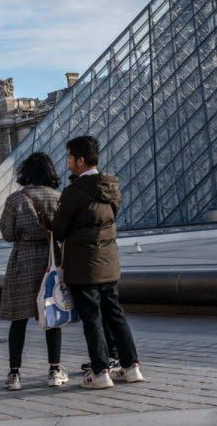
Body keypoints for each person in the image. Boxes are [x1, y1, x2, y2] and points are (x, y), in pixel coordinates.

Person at [54, 135, 143, 390]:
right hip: (109, 261)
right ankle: (131, 367)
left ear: (81, 161)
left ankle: (101, 371)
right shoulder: (111, 186)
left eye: (70, 157)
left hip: (84, 265)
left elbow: (59, 230)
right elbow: (109, 216)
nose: (68, 162)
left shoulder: (74, 192)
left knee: (92, 318)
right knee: (116, 315)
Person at [0, 152, 68, 391]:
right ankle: (54, 370)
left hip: (22, 260)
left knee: (18, 319)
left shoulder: (15, 200)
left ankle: (14, 374)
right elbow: (63, 232)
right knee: (52, 318)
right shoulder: (58, 198)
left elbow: (7, 234)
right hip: (49, 261)